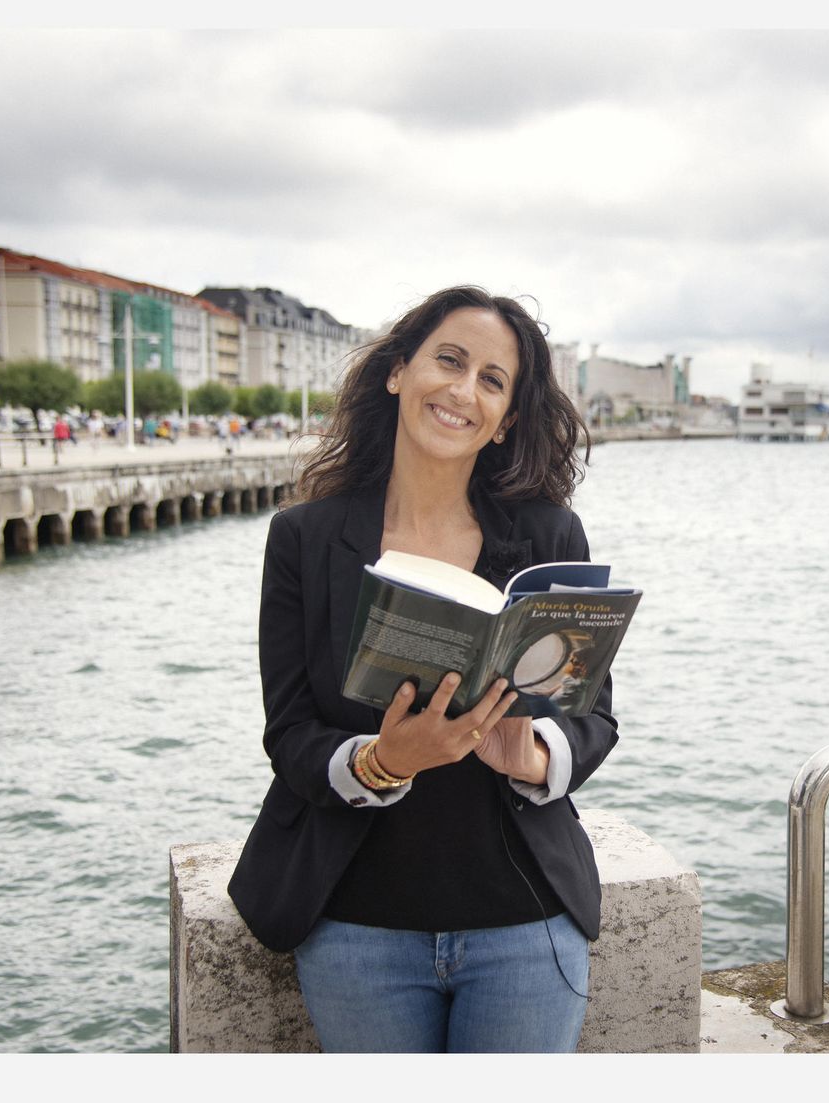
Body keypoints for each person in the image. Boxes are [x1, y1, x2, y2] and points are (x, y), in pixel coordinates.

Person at [228, 286, 616, 1053]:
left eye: (492, 380)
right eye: (449, 359)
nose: (463, 390)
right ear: (398, 371)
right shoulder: (303, 538)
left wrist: (533, 754)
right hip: (355, 925)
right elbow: (291, 732)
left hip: (525, 922)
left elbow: (594, 714)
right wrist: (380, 761)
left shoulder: (549, 531)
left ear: (504, 421)